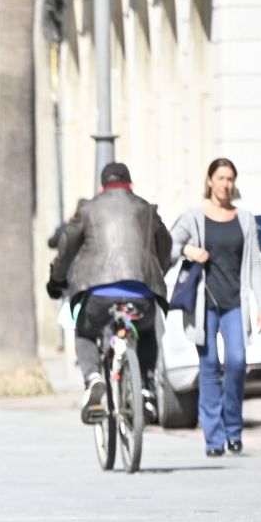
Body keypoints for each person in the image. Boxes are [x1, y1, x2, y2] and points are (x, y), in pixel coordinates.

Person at [46, 162, 173, 423]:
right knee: (147, 331)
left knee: (84, 331)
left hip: (99, 295)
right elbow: (166, 245)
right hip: (142, 294)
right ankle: (146, 388)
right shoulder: (147, 209)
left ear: (102, 187)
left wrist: (56, 279)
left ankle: (93, 377)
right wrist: (158, 269)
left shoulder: (89, 209)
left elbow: (67, 246)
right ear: (131, 185)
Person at [170, 157, 261, 456]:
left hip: (234, 303)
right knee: (209, 367)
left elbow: (253, 263)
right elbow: (169, 247)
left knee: (237, 362)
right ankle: (214, 439)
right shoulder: (194, 217)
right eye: (221, 178)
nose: (225, 184)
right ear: (210, 180)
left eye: (230, 179)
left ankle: (234, 430)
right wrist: (189, 250)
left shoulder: (245, 219)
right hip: (204, 305)